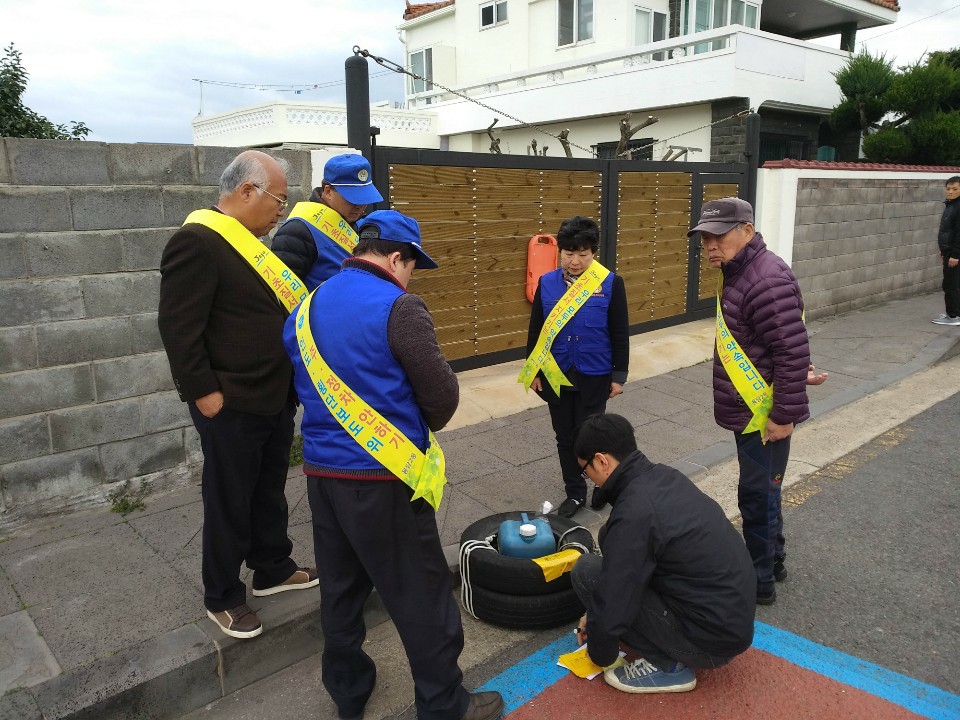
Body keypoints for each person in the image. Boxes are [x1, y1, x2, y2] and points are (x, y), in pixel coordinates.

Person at [283, 209, 503, 720]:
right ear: (397, 258)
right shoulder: (399, 307)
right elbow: (441, 400)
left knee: (340, 591)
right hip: (384, 479)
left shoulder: (306, 306)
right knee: (421, 595)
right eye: (411, 266)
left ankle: (349, 694)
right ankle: (445, 705)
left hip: (322, 476)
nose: (409, 277)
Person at [158, 150, 317, 640]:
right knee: (229, 497)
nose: (282, 213)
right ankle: (223, 594)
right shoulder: (197, 241)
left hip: (272, 395)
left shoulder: (254, 246)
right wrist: (203, 393)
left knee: (268, 487)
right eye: (279, 201)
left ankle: (271, 566)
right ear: (248, 191)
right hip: (229, 400)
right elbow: (179, 327)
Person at [689, 197, 826, 606]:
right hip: (750, 409)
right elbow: (775, 345)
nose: (711, 246)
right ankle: (774, 561)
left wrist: (783, 415)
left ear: (747, 230)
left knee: (756, 494)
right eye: (705, 239)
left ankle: (759, 581)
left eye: (720, 236)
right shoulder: (741, 272)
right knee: (764, 490)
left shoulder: (764, 278)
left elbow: (790, 352)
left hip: (764, 414)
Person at [572, 413, 755, 693]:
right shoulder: (663, 476)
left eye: (586, 472)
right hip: (729, 619)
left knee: (587, 571)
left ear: (601, 460)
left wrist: (600, 648)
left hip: (710, 643)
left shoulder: (635, 513)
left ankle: (669, 667)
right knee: (610, 538)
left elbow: (616, 591)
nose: (590, 480)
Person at [520, 216, 629, 518]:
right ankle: (574, 492)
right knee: (564, 436)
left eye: (583, 253)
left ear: (594, 252)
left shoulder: (610, 283)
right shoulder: (547, 283)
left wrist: (619, 375)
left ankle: (603, 485)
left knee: (592, 437)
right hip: (557, 373)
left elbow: (619, 331)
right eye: (569, 253)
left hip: (595, 373)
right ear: (560, 253)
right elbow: (536, 330)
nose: (575, 261)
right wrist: (534, 371)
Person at [271, 153, 384, 290]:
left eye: (365, 198)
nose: (360, 206)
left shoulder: (362, 225)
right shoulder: (298, 230)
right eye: (352, 198)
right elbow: (282, 293)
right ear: (328, 191)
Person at [933, 176, 960, 325]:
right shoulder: (951, 205)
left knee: (951, 284)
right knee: (953, 284)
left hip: (954, 253)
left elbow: (958, 233)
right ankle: (955, 313)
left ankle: (953, 316)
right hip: (949, 251)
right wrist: (944, 250)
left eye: (955, 189)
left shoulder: (957, 207)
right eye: (948, 189)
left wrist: (955, 254)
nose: (950, 192)